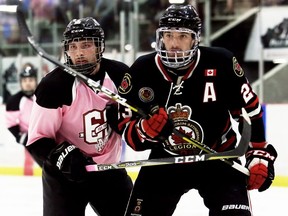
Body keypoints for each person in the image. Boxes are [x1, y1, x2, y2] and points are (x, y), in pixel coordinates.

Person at [117, 4, 278, 216]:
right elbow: (125, 129)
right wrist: (145, 130)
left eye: (183, 36)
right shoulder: (142, 70)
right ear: (161, 36)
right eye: (168, 35)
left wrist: (258, 153)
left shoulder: (221, 62)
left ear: (195, 39)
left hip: (218, 156)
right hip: (165, 159)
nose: (174, 43)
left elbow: (251, 110)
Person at [26, 17, 133, 216]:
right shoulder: (54, 86)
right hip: (65, 176)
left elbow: (136, 120)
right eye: (73, 47)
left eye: (86, 45)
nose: (79, 53)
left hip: (108, 170)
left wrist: (124, 122)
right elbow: (37, 141)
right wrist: (62, 156)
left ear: (100, 46)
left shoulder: (121, 75)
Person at [5, 63, 42, 168]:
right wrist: (21, 138)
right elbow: (10, 123)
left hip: (46, 136)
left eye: (30, 80)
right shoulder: (14, 101)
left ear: (35, 80)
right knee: (47, 167)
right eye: (25, 81)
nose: (28, 83)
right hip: (30, 140)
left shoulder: (43, 96)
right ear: (21, 82)